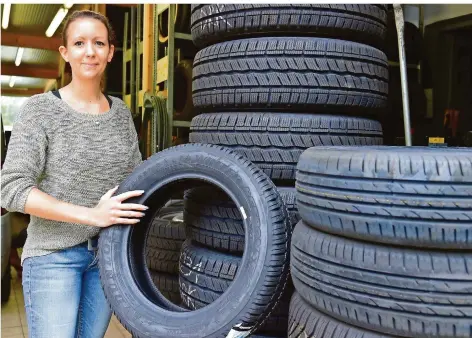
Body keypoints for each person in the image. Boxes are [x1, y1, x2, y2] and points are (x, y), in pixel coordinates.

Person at [1, 10, 147, 338]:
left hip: (107, 256)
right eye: (79, 43)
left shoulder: (121, 113)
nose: (89, 51)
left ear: (110, 52)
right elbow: (11, 188)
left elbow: (135, 178)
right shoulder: (40, 111)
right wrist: (91, 215)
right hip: (54, 257)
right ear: (65, 53)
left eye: (98, 43)